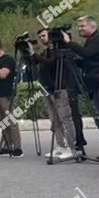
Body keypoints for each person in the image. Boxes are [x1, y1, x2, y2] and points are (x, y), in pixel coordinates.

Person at [32, 29, 77, 160]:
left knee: (64, 118)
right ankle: (60, 145)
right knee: (54, 119)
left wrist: (34, 54)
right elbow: (38, 63)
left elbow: (50, 62)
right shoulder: (45, 52)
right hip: (47, 88)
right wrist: (30, 55)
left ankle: (71, 147)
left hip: (60, 88)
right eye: (40, 37)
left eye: (44, 36)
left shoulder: (59, 51)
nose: (42, 39)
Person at [64, 16, 99, 159]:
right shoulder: (91, 40)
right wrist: (76, 61)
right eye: (79, 26)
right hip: (96, 83)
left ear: (92, 26)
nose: (79, 28)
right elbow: (90, 60)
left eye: (82, 26)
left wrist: (70, 43)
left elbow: (87, 54)